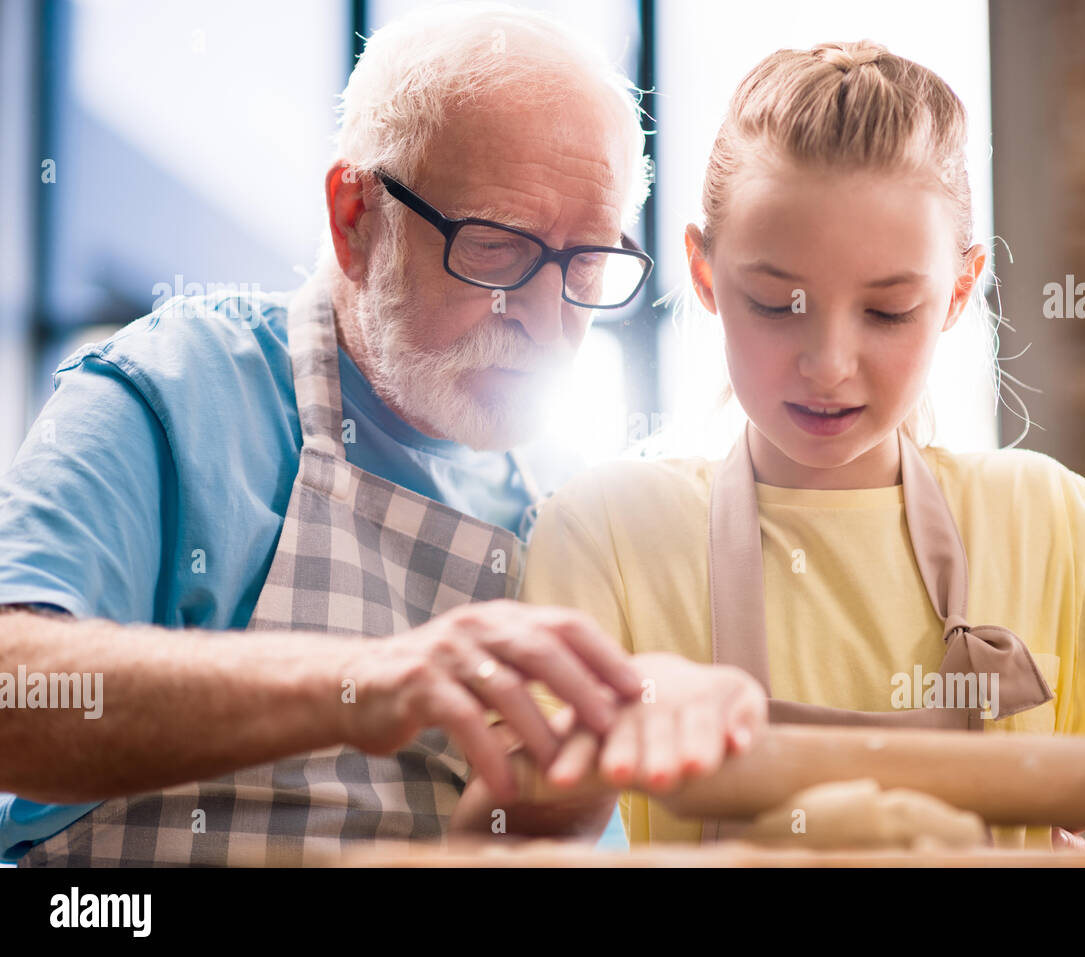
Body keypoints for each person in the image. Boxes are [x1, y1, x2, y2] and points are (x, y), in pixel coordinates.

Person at [0, 3, 765, 866]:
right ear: (354, 216)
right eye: (496, 250)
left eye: (585, 263)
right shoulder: (182, 388)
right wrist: (366, 683)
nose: (551, 324)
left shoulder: (565, 506)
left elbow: (516, 838)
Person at [518, 39, 1085, 849]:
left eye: (887, 311)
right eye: (775, 301)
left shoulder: (1053, 522)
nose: (828, 363)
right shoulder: (608, 530)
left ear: (960, 290)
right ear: (705, 272)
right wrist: (611, 726)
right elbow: (502, 844)